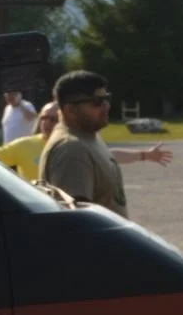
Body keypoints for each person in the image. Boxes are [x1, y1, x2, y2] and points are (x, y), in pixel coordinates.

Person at [0, 103, 171, 183]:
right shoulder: (23, 145)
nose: (46, 122)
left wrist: (145, 155)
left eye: (53, 119)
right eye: (43, 118)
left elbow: (109, 156)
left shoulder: (74, 144)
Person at [40, 73, 128, 217]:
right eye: (96, 101)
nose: (106, 105)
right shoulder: (71, 149)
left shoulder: (87, 136)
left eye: (106, 99)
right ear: (70, 109)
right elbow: (77, 221)